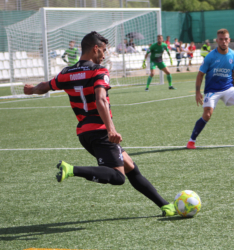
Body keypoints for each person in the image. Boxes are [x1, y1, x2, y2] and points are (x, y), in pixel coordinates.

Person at [23, 31, 176, 217]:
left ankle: (165, 206)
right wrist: (111, 129)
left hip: (84, 133)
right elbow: (101, 100)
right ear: (95, 48)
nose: (104, 55)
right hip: (101, 131)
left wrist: (31, 90)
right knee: (118, 177)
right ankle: (72, 169)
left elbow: (43, 87)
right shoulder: (99, 71)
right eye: (103, 50)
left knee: (130, 167)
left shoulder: (65, 73)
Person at [186, 29, 234, 149]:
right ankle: (191, 141)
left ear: (229, 40)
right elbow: (200, 75)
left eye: (226, 39)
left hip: (227, 88)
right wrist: (197, 92)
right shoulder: (210, 57)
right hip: (212, 91)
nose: (223, 41)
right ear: (217, 41)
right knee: (207, 114)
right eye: (221, 39)